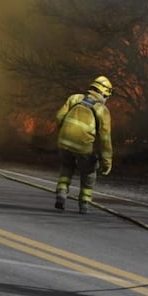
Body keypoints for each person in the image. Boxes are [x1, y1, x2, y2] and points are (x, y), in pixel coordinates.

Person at [54, 76, 113, 214]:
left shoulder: (74, 98)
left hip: (64, 141)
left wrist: (64, 133)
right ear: (104, 93)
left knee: (67, 166)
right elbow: (105, 139)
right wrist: (107, 162)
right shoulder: (102, 110)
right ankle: (84, 202)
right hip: (83, 146)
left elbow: (59, 117)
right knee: (89, 172)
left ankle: (61, 192)